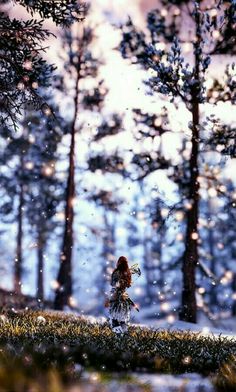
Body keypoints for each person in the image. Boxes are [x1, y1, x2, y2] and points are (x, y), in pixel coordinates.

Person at [106, 256, 141, 334]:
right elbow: (127, 284)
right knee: (122, 319)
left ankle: (119, 336)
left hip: (117, 297)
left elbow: (113, 284)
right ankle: (123, 335)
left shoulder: (117, 272)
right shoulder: (127, 273)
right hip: (122, 297)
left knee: (115, 319)